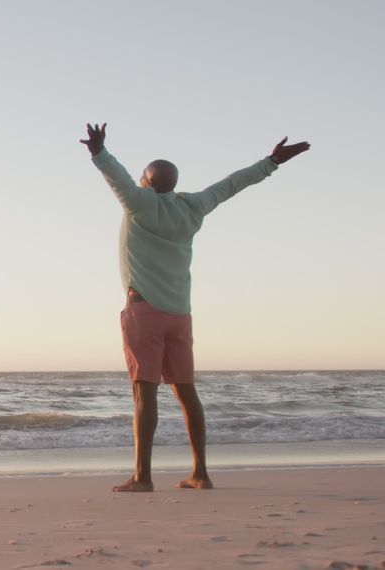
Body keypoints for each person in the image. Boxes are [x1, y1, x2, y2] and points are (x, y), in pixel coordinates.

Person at [80, 123, 310, 492]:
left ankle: (142, 477)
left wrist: (99, 151)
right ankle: (200, 473)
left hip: (144, 310)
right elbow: (231, 184)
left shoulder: (140, 202)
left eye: (142, 177)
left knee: (144, 392)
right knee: (187, 392)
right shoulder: (193, 207)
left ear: (148, 182)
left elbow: (116, 177)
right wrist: (271, 162)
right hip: (180, 315)